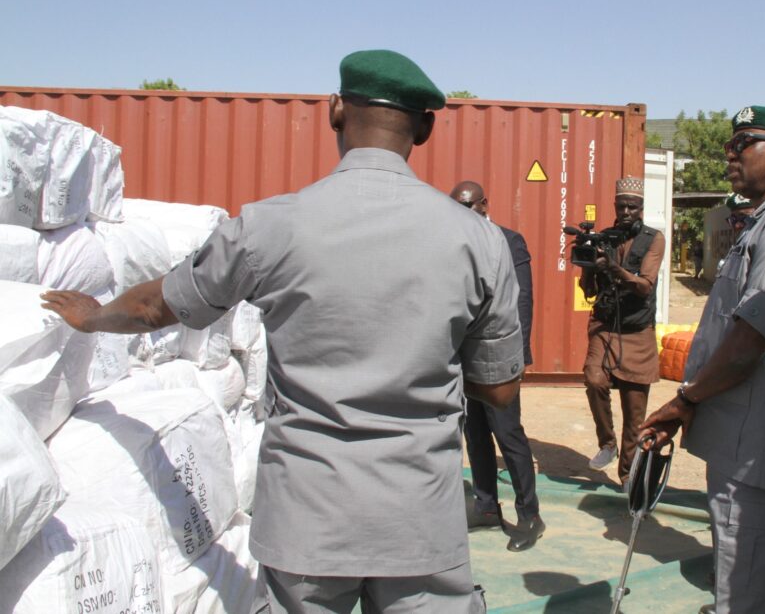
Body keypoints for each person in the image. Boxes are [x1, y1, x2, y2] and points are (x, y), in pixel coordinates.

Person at [41, 50, 524, 614]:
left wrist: (91, 315)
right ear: (425, 126)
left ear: (335, 111)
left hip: (305, 525)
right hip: (419, 524)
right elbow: (499, 392)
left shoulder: (267, 227)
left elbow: (155, 308)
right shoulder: (480, 243)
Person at [641, 104, 765, 614]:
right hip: (744, 441)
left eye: (741, 145)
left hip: (764, 451)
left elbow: (747, 343)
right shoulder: (763, 224)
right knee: (740, 581)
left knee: (754, 594)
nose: (729, 157)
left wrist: (683, 401)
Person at [449, 180, 545, 552]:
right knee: (475, 433)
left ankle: (530, 515)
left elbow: (522, 302)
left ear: (485, 205)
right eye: (457, 206)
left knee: (508, 433)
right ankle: (487, 506)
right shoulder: (454, 243)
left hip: (499, 358)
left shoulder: (509, 241)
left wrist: (515, 360)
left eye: (468, 205)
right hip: (464, 359)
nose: (462, 213)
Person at [580, 176, 665, 488]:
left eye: (633, 206)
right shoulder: (604, 238)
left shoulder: (654, 239)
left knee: (635, 411)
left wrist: (614, 268)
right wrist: (589, 263)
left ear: (641, 209)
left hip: (637, 329)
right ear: (614, 206)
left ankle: (628, 473)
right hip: (605, 325)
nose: (626, 211)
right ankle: (607, 443)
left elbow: (645, 286)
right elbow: (587, 289)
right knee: (593, 377)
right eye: (621, 206)